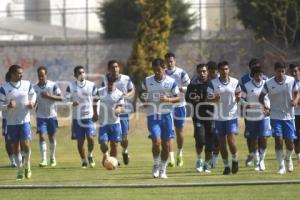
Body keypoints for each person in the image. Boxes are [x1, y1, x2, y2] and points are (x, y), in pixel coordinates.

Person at [139, 58, 180, 179]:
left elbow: (178, 98)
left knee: (166, 144)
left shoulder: (171, 81)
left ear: (164, 69)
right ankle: (156, 165)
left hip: (167, 116)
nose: (157, 72)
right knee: (156, 141)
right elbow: (141, 93)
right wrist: (144, 100)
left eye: (159, 70)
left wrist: (168, 99)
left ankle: (163, 169)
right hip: (153, 115)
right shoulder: (147, 80)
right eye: (155, 70)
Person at [259, 62, 299, 174]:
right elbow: (261, 97)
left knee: (290, 143)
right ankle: (281, 166)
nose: (281, 73)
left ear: (285, 71)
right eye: (278, 71)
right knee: (278, 140)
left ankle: (288, 157)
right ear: (275, 71)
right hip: (275, 116)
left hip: (289, 116)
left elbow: (296, 92)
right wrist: (266, 107)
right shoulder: (268, 83)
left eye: (283, 71)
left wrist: (295, 100)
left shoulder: (291, 80)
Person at [0, 65, 36, 180]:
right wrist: (7, 106)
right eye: (19, 73)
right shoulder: (4, 88)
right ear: (12, 74)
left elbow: (33, 94)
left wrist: (32, 102)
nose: (21, 75)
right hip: (11, 123)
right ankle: (20, 170)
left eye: (22, 73)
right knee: (15, 147)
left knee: (25, 144)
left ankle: (28, 166)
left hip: (25, 120)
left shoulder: (27, 84)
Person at [207, 61, 241, 175]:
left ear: (229, 70)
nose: (224, 71)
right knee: (222, 144)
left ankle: (235, 160)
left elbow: (238, 93)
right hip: (219, 117)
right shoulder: (213, 83)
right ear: (218, 71)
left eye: (226, 69)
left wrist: (238, 97)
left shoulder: (235, 82)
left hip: (231, 115)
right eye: (222, 69)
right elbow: (208, 98)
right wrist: (213, 99)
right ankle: (226, 166)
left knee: (231, 141)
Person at [101, 60, 134, 165]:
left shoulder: (126, 79)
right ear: (108, 69)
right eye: (112, 67)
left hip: (123, 111)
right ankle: (113, 160)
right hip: (109, 114)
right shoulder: (105, 81)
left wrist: (127, 95)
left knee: (124, 137)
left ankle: (125, 151)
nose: (115, 69)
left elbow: (132, 90)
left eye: (116, 66)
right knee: (112, 140)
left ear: (119, 68)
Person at [65, 66, 98, 168]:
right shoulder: (70, 86)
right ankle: (84, 161)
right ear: (75, 75)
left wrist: (96, 113)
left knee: (91, 138)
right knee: (80, 142)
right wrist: (71, 103)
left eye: (83, 72)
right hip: (77, 118)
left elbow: (96, 99)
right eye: (79, 73)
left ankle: (90, 155)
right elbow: (65, 99)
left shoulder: (91, 85)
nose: (82, 74)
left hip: (89, 116)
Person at [241, 66, 271, 171]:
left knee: (263, 138)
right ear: (252, 76)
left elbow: (273, 97)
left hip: (264, 115)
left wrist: (270, 109)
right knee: (253, 139)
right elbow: (241, 99)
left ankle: (262, 160)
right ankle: (256, 160)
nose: (259, 77)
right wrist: (246, 104)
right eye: (257, 75)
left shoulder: (267, 84)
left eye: (261, 75)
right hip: (252, 116)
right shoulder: (247, 86)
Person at [185, 63, 214, 174]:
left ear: (207, 72)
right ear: (197, 73)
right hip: (198, 116)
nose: (202, 73)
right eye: (200, 71)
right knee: (200, 139)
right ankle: (199, 160)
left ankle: (207, 164)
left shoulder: (212, 84)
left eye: (204, 71)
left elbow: (218, 98)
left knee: (209, 141)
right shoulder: (193, 85)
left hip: (211, 116)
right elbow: (187, 97)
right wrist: (193, 99)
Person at [164, 52, 190, 167]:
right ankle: (172, 158)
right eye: (168, 61)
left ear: (174, 61)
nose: (170, 63)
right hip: (167, 108)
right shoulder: (162, 74)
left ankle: (180, 153)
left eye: (171, 61)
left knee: (179, 132)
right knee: (169, 133)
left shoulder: (181, 73)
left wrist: (179, 89)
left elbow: (190, 87)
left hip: (179, 106)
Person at [33, 66, 63, 167]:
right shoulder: (34, 88)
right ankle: (43, 159)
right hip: (40, 116)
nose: (41, 77)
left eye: (42, 75)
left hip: (52, 116)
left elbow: (61, 98)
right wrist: (32, 104)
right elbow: (33, 101)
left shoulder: (53, 85)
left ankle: (52, 157)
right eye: (39, 76)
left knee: (52, 137)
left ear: (46, 75)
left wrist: (48, 96)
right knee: (41, 136)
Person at [96, 74, 124, 165]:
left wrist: (118, 110)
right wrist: (95, 113)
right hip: (103, 123)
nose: (110, 85)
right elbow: (94, 101)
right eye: (109, 83)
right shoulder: (100, 91)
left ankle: (113, 161)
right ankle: (106, 154)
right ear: (106, 82)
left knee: (114, 145)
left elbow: (121, 107)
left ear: (115, 83)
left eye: (112, 83)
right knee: (103, 143)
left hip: (115, 122)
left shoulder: (119, 93)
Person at [1, 71, 16, 167]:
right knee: (8, 141)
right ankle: (12, 161)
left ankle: (20, 157)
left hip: (18, 118)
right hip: (7, 119)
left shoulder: (21, 88)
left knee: (19, 140)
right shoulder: (3, 89)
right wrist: (8, 106)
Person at [207, 60, 219, 168]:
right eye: (209, 72)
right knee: (209, 136)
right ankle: (210, 158)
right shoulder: (204, 80)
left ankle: (215, 158)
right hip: (206, 112)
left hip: (219, 112)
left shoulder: (219, 81)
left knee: (217, 137)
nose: (210, 74)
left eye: (212, 72)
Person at [289, 63, 300, 165]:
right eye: (292, 71)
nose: (294, 73)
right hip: (294, 114)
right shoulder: (289, 83)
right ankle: (298, 157)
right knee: (295, 135)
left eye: (296, 71)